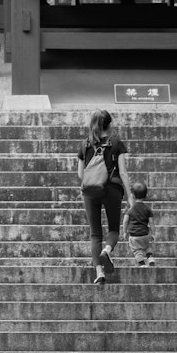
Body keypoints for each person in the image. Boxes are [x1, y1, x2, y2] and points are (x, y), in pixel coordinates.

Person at [76, 108, 131, 286]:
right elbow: (123, 173)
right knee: (113, 230)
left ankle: (99, 273)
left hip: (91, 191)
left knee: (95, 234)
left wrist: (92, 183)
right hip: (112, 189)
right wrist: (130, 196)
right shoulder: (116, 143)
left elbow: (80, 174)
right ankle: (107, 251)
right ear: (109, 124)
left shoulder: (85, 144)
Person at [123, 180, 156, 266]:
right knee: (147, 247)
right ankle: (150, 257)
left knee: (137, 250)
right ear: (145, 195)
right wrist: (153, 233)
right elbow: (151, 223)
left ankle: (142, 264)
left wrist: (124, 231)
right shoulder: (147, 209)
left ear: (133, 196)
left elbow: (125, 221)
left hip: (134, 236)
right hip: (145, 234)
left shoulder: (131, 210)